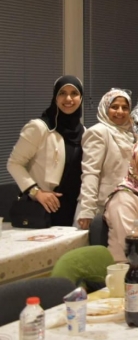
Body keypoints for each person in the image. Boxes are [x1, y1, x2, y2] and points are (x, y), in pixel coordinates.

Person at [7, 75, 85, 227]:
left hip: (75, 211)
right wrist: (36, 192)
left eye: (74, 93)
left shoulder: (84, 133)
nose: (68, 98)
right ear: (55, 97)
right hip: (44, 210)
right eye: (62, 93)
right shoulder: (39, 128)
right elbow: (14, 163)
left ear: (81, 98)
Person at [76, 89, 135, 229]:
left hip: (124, 206)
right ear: (105, 108)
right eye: (114, 107)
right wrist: (87, 210)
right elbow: (90, 172)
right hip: (99, 209)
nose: (120, 111)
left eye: (125, 108)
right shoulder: (98, 132)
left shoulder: (130, 134)